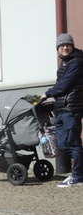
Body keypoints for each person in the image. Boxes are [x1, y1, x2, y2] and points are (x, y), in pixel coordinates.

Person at [42, 33, 83, 187]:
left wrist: (47, 94)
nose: (65, 47)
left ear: (72, 46)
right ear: (57, 49)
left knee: (73, 143)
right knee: (62, 143)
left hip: (71, 108)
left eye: (67, 45)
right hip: (61, 108)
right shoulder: (65, 63)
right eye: (61, 45)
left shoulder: (76, 62)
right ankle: (79, 172)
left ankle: (78, 176)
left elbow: (65, 84)